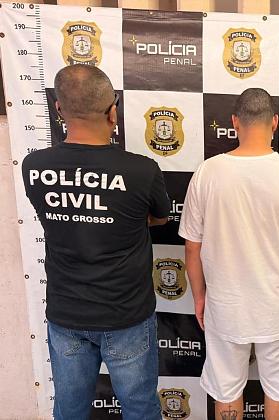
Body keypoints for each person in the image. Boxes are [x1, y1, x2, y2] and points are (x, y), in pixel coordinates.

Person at [22, 64, 170, 420]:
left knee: (69, 411)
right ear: (113, 112)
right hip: (125, 315)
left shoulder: (33, 166)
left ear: (59, 108)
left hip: (67, 315)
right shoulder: (141, 170)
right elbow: (160, 218)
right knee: (140, 410)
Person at [179, 88, 279, 420]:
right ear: (274, 123)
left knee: (227, 391)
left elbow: (192, 247)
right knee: (278, 390)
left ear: (234, 122)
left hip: (225, 306)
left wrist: (200, 297)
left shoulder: (207, 174)